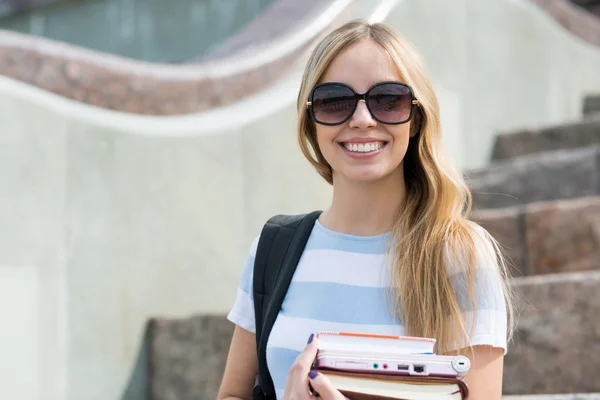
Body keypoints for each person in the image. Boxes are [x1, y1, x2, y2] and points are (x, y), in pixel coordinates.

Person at [218, 19, 516, 400]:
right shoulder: (274, 247)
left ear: (416, 118)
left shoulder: (459, 254)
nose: (362, 120)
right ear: (310, 121)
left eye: (388, 100)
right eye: (334, 101)